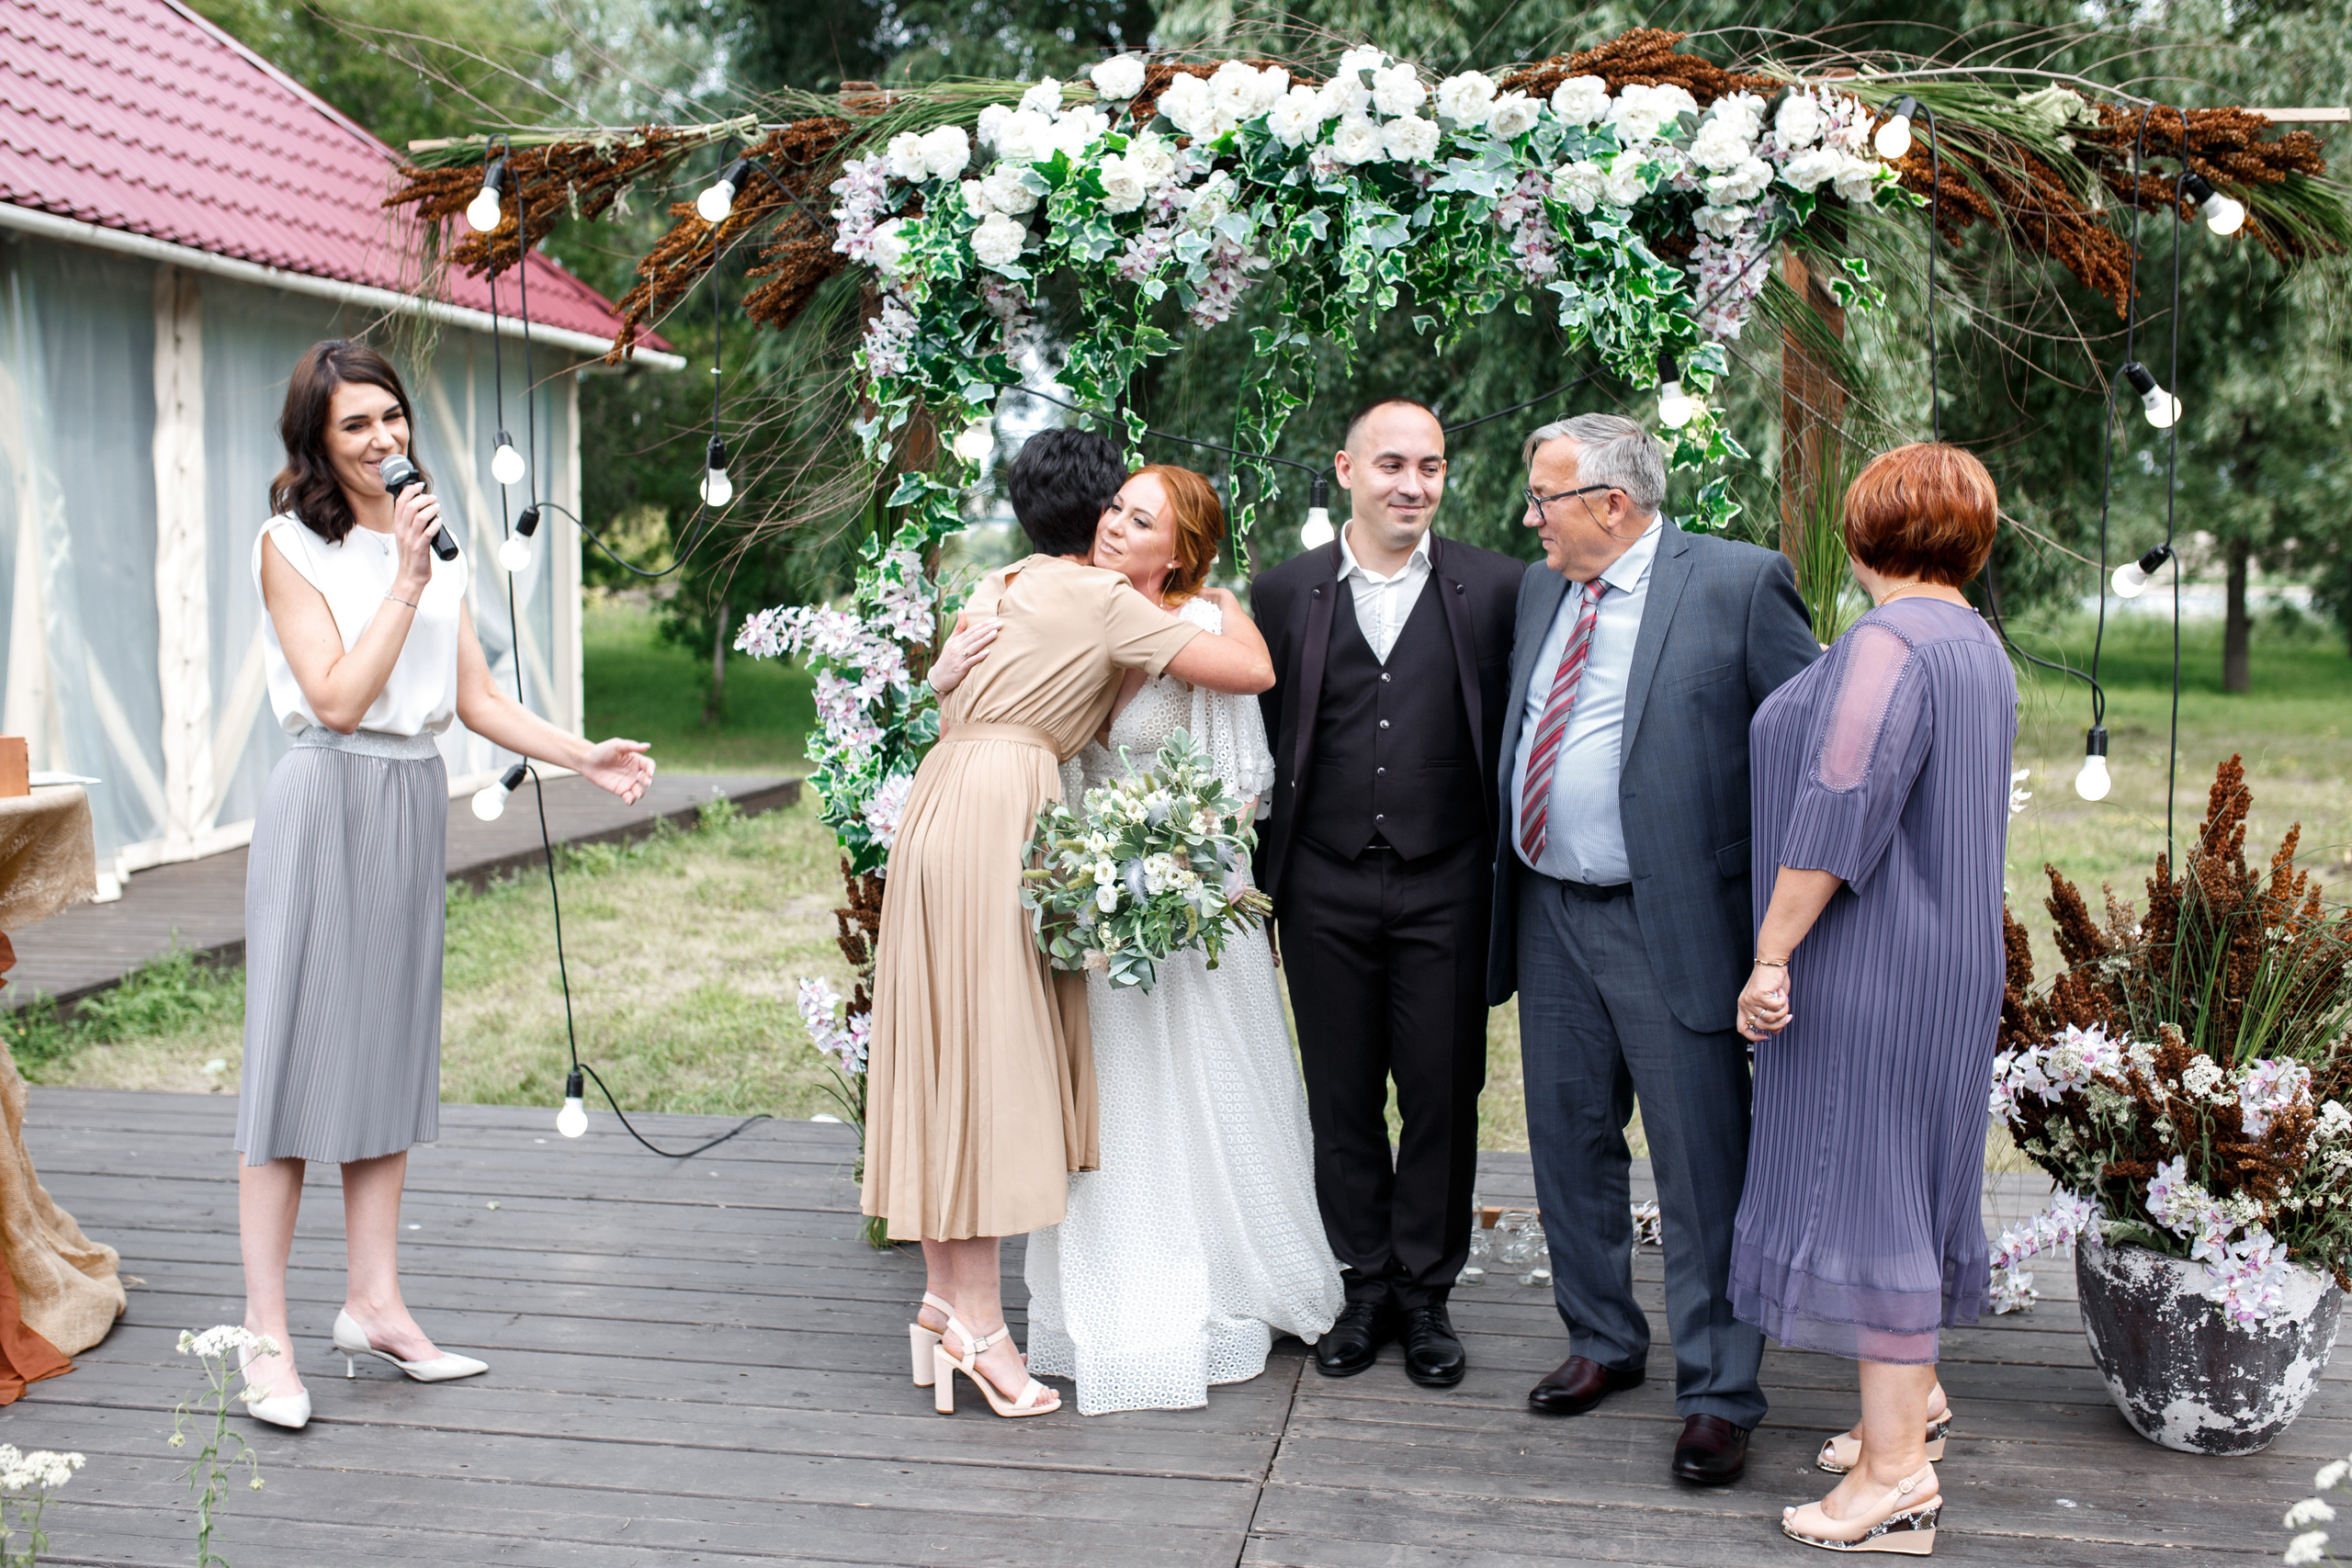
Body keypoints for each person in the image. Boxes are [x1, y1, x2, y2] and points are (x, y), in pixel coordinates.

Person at [238, 340, 656, 1430]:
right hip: (324, 795)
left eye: (392, 419)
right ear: (317, 445)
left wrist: (578, 753)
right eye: (355, 427)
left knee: (385, 1058)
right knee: (289, 1074)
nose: (384, 443)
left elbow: (472, 699)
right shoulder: (289, 547)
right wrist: (405, 582)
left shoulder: (439, 548)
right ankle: (265, 1337)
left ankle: (373, 1304)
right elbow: (334, 697)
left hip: (408, 801)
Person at [864, 429, 1276, 1420]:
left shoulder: (996, 585)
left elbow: (957, 693)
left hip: (939, 801)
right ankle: (979, 1328)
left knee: (940, 1055)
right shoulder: (1105, 601)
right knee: (990, 1068)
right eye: (1120, 508)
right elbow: (1248, 674)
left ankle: (941, 1303)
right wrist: (1218, 601)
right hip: (1004, 810)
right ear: (1097, 516)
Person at [1487, 412, 1817, 1485]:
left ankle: (1720, 1391)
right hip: (1550, 910)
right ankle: (1601, 1342)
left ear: (1611, 505)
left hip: (1672, 919)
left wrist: (1778, 922)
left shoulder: (1736, 583)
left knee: (1699, 1160)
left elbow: (1810, 750)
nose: (1528, 516)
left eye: (1544, 498)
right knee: (1568, 1138)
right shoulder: (1544, 588)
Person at [1010, 465, 1342, 1414]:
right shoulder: (1076, 608)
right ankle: (1112, 1291)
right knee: (1117, 1106)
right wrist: (1083, 873)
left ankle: (1234, 1283)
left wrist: (1166, 868)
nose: (1115, 525)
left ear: (1180, 553)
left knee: (1209, 1088)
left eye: (1140, 519)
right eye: (1116, 507)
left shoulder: (1199, 626)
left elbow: (1239, 785)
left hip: (1188, 903)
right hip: (1095, 902)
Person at [1735, 443, 2015, 1555]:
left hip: (1868, 960)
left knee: (1869, 1188)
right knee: (1910, 1172)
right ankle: (1915, 1406)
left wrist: (1768, 954)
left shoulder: (1887, 642)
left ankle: (1896, 1478)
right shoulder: (1974, 642)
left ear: (1862, 535)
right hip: (1946, 962)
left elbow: (1838, 804)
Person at [1250, 398, 1521, 1387]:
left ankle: (1427, 1292)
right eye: (1393, 465)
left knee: (1446, 1094)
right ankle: (1362, 1286)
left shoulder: (1497, 587)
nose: (1413, 484)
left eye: (1432, 467)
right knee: (1342, 1097)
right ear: (1345, 470)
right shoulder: (1282, 592)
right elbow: (1258, 741)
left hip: (1447, 880)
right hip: (1320, 882)